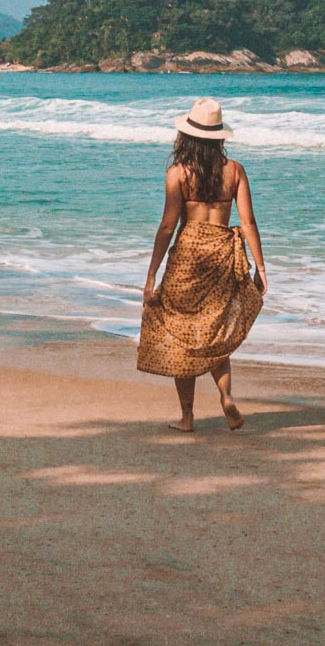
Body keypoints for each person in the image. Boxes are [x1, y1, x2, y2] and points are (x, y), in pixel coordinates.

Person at [138, 97, 268, 431]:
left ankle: (187, 416)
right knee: (214, 332)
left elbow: (168, 226)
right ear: (219, 136)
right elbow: (249, 223)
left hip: (189, 256)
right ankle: (226, 397)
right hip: (223, 254)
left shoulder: (178, 173)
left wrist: (151, 275)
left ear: (186, 137)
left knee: (183, 338)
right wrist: (261, 268)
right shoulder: (235, 170)